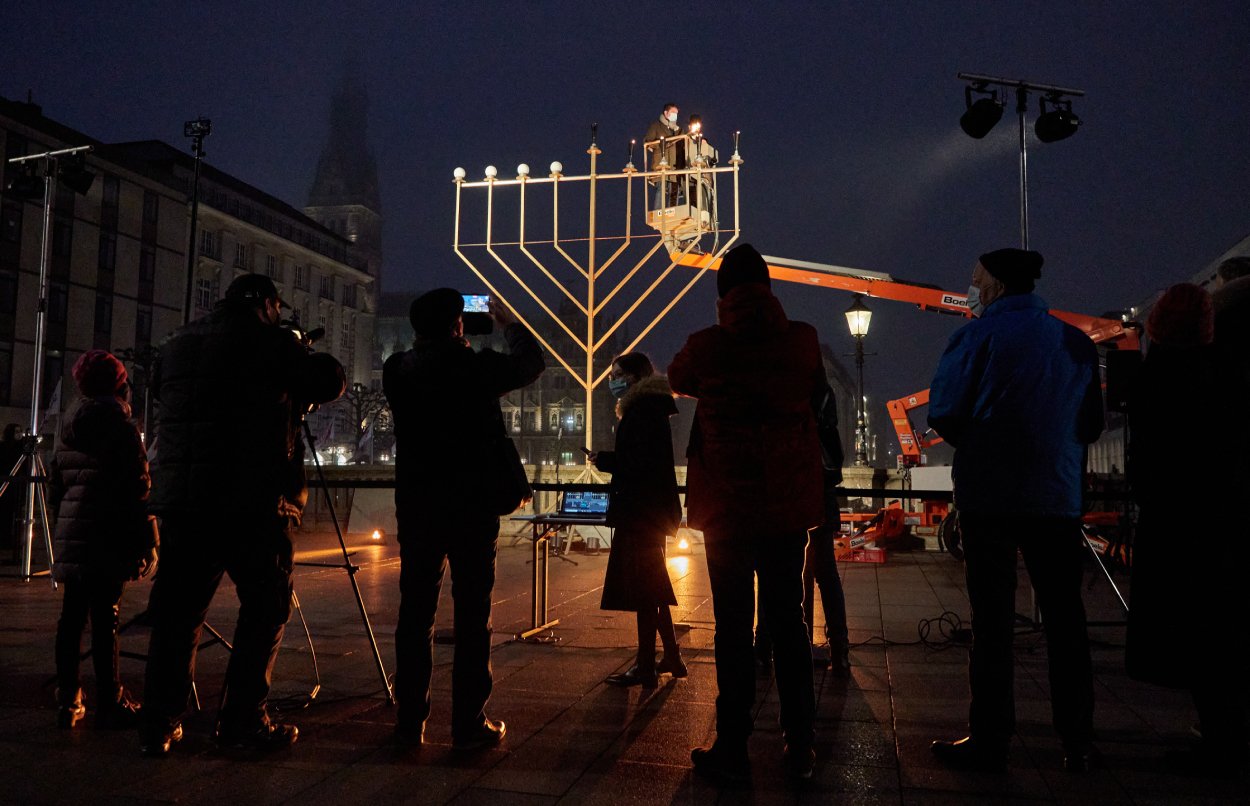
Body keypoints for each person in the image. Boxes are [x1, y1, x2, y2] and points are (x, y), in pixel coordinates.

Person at [140, 273, 345, 757]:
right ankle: (242, 721)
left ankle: (159, 724)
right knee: (265, 608)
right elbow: (329, 381)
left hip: (185, 502)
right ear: (268, 305)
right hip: (252, 500)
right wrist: (297, 348)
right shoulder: (271, 342)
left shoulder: (177, 344)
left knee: (177, 615)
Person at [927, 248, 1104, 773]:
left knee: (992, 622)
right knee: (1066, 620)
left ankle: (990, 739)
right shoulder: (1074, 342)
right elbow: (1091, 423)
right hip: (1055, 497)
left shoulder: (974, 338)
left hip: (990, 498)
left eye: (976, 280)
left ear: (996, 287)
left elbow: (945, 412)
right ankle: (1078, 739)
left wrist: (986, 446)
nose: (972, 289)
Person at [668, 243, 824, 782]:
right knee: (790, 624)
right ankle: (800, 744)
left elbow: (678, 378)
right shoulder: (802, 340)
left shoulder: (706, 347)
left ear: (722, 294)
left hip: (727, 512)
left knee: (732, 629)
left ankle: (733, 745)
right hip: (785, 508)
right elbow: (813, 385)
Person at [383, 289, 544, 750]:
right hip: (472, 505)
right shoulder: (475, 367)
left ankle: (409, 723)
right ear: (457, 325)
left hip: (418, 506)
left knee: (415, 615)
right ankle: (468, 724)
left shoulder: (397, 369)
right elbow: (530, 364)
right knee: (473, 615)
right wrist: (509, 324)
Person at [1126, 283, 1248, 777]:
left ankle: (1221, 740)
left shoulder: (1159, 378)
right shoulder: (1226, 375)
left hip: (1177, 526)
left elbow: (1148, 464)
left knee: (1197, 638)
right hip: (1225, 522)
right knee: (1224, 636)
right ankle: (1228, 734)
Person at [48, 350, 156, 730]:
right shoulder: (121, 427)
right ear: (118, 385)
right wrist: (147, 540)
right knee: (106, 619)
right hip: (110, 534)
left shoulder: (67, 427)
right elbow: (139, 488)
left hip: (75, 534)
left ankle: (69, 697)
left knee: (71, 618)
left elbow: (56, 488)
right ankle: (110, 699)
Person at [590, 352, 685, 687]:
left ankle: (646, 666)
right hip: (650, 511)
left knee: (645, 590)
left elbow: (638, 462)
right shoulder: (651, 408)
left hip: (640, 512)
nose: (611, 379)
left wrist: (605, 460)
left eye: (616, 373)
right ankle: (671, 656)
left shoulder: (641, 411)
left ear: (632, 377)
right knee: (653, 585)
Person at [754, 377, 851, 675]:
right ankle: (840, 650)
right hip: (819, 491)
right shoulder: (822, 393)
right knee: (826, 573)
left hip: (784, 491)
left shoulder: (777, 388)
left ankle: (763, 649)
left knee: (771, 571)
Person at [644, 102, 683, 208]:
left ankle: (672, 213)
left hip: (675, 165)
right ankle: (658, 212)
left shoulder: (678, 129)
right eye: (673, 112)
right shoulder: (656, 126)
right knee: (661, 188)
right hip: (660, 163)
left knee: (674, 191)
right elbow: (647, 142)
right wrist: (662, 144)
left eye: (676, 113)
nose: (675, 115)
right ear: (666, 113)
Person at [0, 422, 22, 562]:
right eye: (16, 432)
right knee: (4, 515)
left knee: (14, 515)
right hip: (5, 484)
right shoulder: (4, 447)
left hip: (16, 486)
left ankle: (11, 539)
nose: (19, 434)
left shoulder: (20, 448)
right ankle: (4, 539)